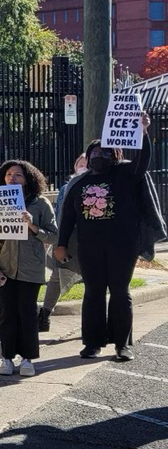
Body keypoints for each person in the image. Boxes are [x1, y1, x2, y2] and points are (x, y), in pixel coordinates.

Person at [56, 114, 156, 361]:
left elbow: (143, 161)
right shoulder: (79, 183)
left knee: (120, 293)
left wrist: (143, 132)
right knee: (93, 293)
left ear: (116, 155)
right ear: (87, 158)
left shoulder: (126, 174)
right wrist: (61, 244)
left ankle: (122, 345)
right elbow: (68, 215)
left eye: (106, 153)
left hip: (123, 246)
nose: (100, 156)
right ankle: (92, 343)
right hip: (90, 248)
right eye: (95, 153)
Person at [0, 160, 56, 377]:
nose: (12, 178)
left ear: (29, 179)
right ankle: (6, 357)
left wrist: (32, 225)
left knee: (28, 313)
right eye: (8, 174)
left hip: (31, 269)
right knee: (7, 314)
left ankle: (27, 358)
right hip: (4, 268)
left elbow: (54, 235)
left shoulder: (40, 203)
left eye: (18, 175)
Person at [39, 154, 87, 333]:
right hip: (68, 241)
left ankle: (90, 321)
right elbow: (60, 215)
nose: (83, 167)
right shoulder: (67, 188)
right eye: (80, 164)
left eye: (87, 164)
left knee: (93, 284)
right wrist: (60, 242)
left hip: (90, 243)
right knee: (57, 278)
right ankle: (44, 314)